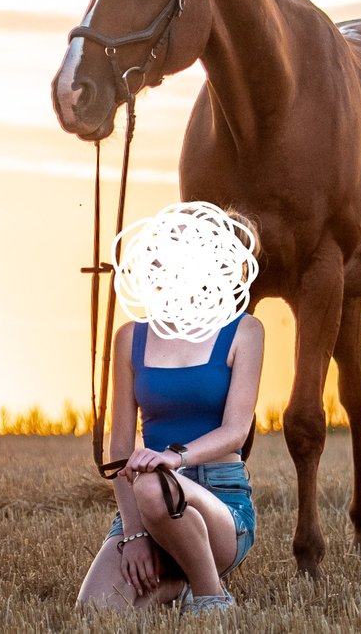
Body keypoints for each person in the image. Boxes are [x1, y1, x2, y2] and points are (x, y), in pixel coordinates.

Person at [77, 204, 264, 616]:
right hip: (148, 504)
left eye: (178, 241)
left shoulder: (244, 330)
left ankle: (211, 595)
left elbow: (235, 431)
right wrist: (133, 534)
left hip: (219, 503)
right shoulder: (130, 337)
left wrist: (172, 459)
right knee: (95, 611)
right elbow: (120, 448)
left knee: (154, 484)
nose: (161, 251)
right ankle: (177, 582)